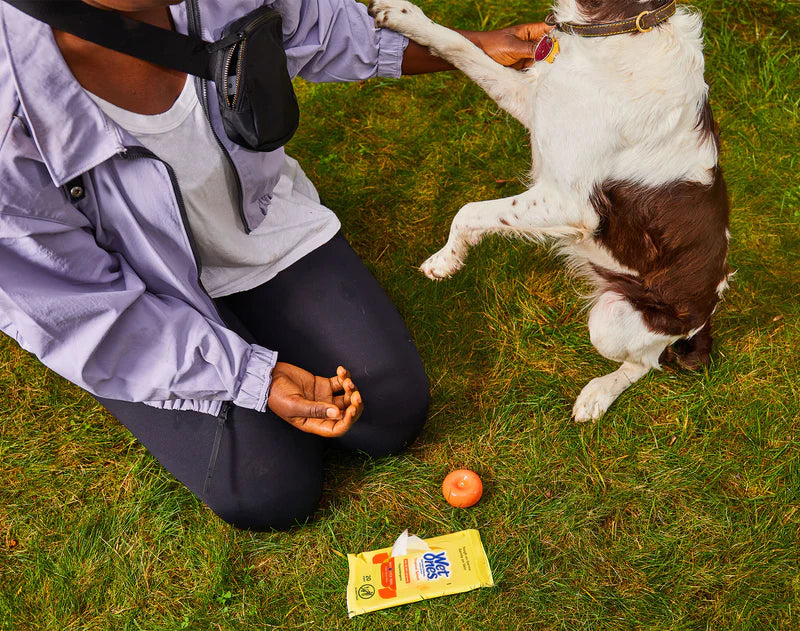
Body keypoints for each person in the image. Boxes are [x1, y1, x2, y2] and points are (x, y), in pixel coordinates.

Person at [0, 0, 550, 530]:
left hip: (255, 226)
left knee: (388, 410)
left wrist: (472, 47)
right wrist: (251, 378)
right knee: (270, 487)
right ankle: (158, 370)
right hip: (137, 297)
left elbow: (317, 25)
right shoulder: (10, 109)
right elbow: (79, 306)